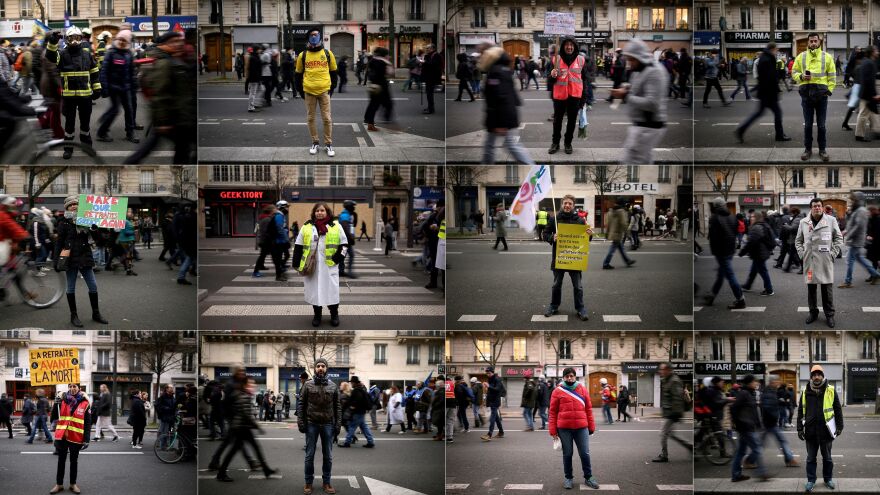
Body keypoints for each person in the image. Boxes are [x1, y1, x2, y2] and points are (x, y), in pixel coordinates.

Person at [54, 196, 109, 327]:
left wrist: (95, 228)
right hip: (70, 258)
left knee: (93, 286)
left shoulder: (87, 220)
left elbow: (100, 240)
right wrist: (56, 260)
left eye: (75, 204)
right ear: (66, 207)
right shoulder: (63, 222)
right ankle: (74, 315)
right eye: (70, 205)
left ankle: (96, 313)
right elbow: (59, 243)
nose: (73, 206)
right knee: (71, 288)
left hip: (85, 256)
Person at [612, 38, 669, 164]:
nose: (629, 63)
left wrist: (626, 96)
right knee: (644, 162)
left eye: (631, 59)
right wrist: (627, 87)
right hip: (641, 125)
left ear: (639, 57)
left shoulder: (655, 72)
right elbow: (637, 88)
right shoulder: (639, 70)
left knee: (632, 163)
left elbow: (652, 103)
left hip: (648, 127)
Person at [292, 203, 348, 327]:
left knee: (332, 292)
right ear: (314, 212)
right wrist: (296, 262)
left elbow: (344, 245)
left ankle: (334, 314)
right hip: (312, 266)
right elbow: (299, 245)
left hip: (330, 266)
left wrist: (338, 258)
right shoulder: (307, 226)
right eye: (317, 210)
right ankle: (317, 315)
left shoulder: (336, 226)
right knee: (315, 292)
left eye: (322, 210)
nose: (320, 213)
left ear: (327, 212)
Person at [478, 43, 535, 165]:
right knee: (492, 146)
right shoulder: (502, 69)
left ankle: (532, 168)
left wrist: (501, 123)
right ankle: (487, 168)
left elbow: (501, 97)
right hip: (503, 116)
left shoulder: (496, 71)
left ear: (489, 54)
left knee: (510, 146)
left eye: (481, 53)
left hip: (502, 118)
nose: (480, 57)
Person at [216, 374, 276, 482]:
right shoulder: (242, 395)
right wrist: (257, 426)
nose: (253, 385)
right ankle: (221, 473)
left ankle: (266, 470)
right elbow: (245, 414)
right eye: (251, 383)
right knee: (234, 451)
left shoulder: (242, 394)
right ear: (245, 384)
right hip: (240, 428)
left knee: (255, 448)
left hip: (243, 427)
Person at [795, 197, 844, 327]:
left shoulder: (831, 220)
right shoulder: (804, 222)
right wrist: (802, 254)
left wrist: (832, 254)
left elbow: (839, 238)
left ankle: (829, 315)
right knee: (811, 289)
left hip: (825, 261)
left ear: (822, 207)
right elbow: (798, 241)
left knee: (827, 290)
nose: (817, 208)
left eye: (819, 206)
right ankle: (813, 313)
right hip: (809, 262)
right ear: (811, 208)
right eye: (814, 206)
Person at [549, 367, 599, 490]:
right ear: (564, 377)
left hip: (581, 428)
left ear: (575, 376)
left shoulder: (582, 389)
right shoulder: (557, 391)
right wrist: (553, 431)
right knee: (567, 454)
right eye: (567, 376)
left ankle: (589, 477)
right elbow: (553, 412)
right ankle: (568, 478)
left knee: (585, 453)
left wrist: (591, 426)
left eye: (571, 376)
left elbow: (588, 409)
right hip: (564, 429)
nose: (569, 378)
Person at [544, 195, 593, 321]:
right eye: (565, 203)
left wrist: (589, 234)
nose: (567, 205)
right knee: (556, 285)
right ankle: (554, 306)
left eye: (570, 203)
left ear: (573, 205)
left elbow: (585, 240)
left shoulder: (580, 220)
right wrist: (551, 238)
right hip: (559, 258)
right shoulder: (555, 219)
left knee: (578, 286)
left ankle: (580, 308)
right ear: (561, 204)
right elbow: (545, 233)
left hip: (575, 259)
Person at [297, 358, 341, 495]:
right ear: (315, 368)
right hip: (312, 423)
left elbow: (337, 406)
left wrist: (338, 424)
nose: (320, 368)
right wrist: (300, 421)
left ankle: (326, 483)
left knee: (328, 456)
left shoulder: (333, 386)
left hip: (328, 424)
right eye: (318, 366)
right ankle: (308, 483)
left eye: (323, 366)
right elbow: (301, 404)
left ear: (326, 368)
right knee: (309, 455)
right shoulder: (308, 385)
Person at [797, 365, 843, 492]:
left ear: (822, 376)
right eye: (814, 375)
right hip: (810, 432)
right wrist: (799, 429)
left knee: (827, 458)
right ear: (811, 377)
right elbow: (801, 411)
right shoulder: (805, 391)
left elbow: (838, 409)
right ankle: (811, 480)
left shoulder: (831, 390)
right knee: (811, 458)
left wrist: (840, 426)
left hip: (826, 431)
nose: (817, 377)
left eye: (819, 374)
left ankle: (828, 479)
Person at [791, 33, 836, 161]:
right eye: (811, 41)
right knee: (808, 125)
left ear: (819, 42)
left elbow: (832, 75)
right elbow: (794, 72)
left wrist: (829, 91)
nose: (813, 43)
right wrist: (801, 77)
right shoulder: (801, 56)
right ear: (808, 42)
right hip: (806, 95)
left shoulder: (827, 57)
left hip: (822, 96)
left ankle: (822, 150)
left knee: (821, 125)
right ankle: (808, 150)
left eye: (815, 41)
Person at [736, 42, 791, 143]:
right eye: (776, 49)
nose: (777, 51)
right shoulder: (768, 59)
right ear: (773, 49)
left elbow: (766, 77)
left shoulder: (765, 57)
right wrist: (776, 90)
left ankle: (741, 130)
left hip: (765, 92)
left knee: (760, 113)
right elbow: (770, 77)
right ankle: (779, 136)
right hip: (768, 93)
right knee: (777, 113)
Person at [295, 28, 338, 157]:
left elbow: (334, 73)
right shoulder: (303, 55)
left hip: (324, 91)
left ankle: (328, 144)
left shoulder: (327, 53)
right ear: (308, 37)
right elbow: (297, 75)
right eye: (312, 35)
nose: (314, 37)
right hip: (309, 91)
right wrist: (300, 91)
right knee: (310, 118)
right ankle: (315, 142)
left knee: (327, 118)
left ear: (320, 37)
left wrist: (332, 89)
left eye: (316, 34)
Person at [546, 37, 588, 155]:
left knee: (571, 121)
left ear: (575, 47)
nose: (569, 47)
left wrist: (583, 98)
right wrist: (552, 76)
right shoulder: (555, 60)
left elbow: (584, 80)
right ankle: (555, 143)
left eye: (571, 45)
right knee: (557, 121)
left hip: (575, 96)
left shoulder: (581, 60)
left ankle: (568, 143)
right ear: (563, 46)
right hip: (559, 96)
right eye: (567, 45)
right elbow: (549, 82)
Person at [96, 30, 138, 144]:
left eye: (124, 40)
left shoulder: (128, 53)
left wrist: (134, 84)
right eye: (120, 39)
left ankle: (130, 134)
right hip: (113, 87)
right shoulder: (111, 53)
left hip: (126, 88)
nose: (121, 42)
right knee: (115, 110)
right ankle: (102, 132)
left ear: (128, 41)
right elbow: (104, 71)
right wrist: (104, 88)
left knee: (129, 110)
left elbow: (131, 71)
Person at [705, 197, 746, 309]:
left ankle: (740, 299)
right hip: (730, 249)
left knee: (730, 275)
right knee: (721, 274)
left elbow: (713, 237)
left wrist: (714, 250)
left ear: (716, 207)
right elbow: (735, 232)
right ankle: (712, 296)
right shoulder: (732, 216)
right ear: (724, 205)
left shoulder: (714, 218)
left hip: (721, 251)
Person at [51, 383, 91, 494]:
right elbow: (53, 417)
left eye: (74, 386)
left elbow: (87, 423)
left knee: (74, 462)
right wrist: (55, 404)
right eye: (70, 386)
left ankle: (73, 484)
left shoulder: (85, 403)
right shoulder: (62, 400)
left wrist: (86, 439)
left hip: (76, 437)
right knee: (61, 461)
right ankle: (59, 485)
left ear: (79, 388)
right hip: (62, 436)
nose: (72, 388)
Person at [729, 374, 768, 482]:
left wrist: (758, 424)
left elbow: (752, 411)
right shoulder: (744, 393)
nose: (757, 383)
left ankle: (736, 475)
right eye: (755, 381)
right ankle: (762, 473)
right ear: (750, 382)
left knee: (741, 452)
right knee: (757, 449)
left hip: (747, 427)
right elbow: (733, 408)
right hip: (746, 427)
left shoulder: (749, 393)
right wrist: (738, 423)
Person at [652, 363, 692, 463]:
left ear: (668, 370)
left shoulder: (674, 381)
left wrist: (675, 414)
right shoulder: (666, 380)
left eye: (662, 369)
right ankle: (690, 446)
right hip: (669, 412)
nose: (660, 371)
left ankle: (664, 455)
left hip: (672, 413)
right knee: (672, 434)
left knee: (662, 433)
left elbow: (677, 399)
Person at [840, 191, 880, 287]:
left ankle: (848, 281)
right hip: (855, 239)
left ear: (858, 200)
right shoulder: (858, 210)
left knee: (850, 260)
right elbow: (853, 224)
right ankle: (876, 274)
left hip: (856, 240)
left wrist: (848, 234)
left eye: (853, 199)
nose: (852, 201)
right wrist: (846, 231)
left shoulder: (861, 210)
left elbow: (859, 226)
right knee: (860, 259)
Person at [738, 210, 776, 296]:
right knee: (754, 270)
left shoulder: (757, 227)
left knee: (763, 271)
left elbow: (751, 242)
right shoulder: (762, 225)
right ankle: (748, 285)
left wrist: (742, 252)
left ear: (757, 218)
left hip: (759, 253)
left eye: (753, 217)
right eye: (751, 216)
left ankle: (769, 289)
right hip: (760, 252)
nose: (751, 218)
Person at [339, 376, 374, 448]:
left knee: (352, 427)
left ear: (354, 383)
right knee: (364, 427)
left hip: (357, 412)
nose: (351, 384)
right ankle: (370, 442)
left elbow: (358, 399)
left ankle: (347, 442)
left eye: (351, 382)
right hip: (361, 412)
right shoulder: (361, 389)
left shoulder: (356, 390)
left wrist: (353, 406)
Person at [364, 47, 394, 131]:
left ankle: (369, 122)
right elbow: (390, 73)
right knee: (387, 103)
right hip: (382, 86)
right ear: (384, 54)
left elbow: (368, 72)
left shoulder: (372, 60)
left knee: (373, 104)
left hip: (372, 85)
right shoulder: (384, 62)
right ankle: (385, 117)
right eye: (387, 54)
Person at [854, 45, 880, 141]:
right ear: (872, 52)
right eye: (876, 50)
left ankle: (877, 131)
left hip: (865, 93)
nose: (877, 52)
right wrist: (874, 95)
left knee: (872, 113)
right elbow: (868, 81)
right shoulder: (869, 63)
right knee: (863, 115)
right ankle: (859, 135)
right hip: (867, 94)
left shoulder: (867, 62)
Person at [603, 198, 636, 269]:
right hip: (618, 233)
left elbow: (607, 223)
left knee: (621, 248)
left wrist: (607, 232)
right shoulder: (621, 211)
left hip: (613, 233)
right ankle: (606, 263)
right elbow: (624, 223)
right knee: (612, 249)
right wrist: (627, 233)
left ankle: (627, 260)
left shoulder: (610, 211)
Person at [480, 366, 504, 441]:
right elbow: (491, 391)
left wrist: (488, 386)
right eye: (487, 373)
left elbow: (497, 389)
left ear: (492, 372)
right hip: (492, 400)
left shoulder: (497, 379)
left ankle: (489, 434)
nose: (488, 374)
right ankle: (501, 432)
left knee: (492, 418)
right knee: (496, 418)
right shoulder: (490, 379)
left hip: (495, 401)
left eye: (489, 373)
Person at [421, 44, 443, 114]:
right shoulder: (428, 55)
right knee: (428, 93)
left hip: (432, 77)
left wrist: (424, 62)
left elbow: (434, 65)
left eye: (428, 48)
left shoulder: (437, 55)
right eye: (426, 48)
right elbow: (427, 64)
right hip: (428, 77)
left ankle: (431, 109)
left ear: (432, 49)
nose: (426, 49)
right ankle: (430, 107)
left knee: (429, 93)